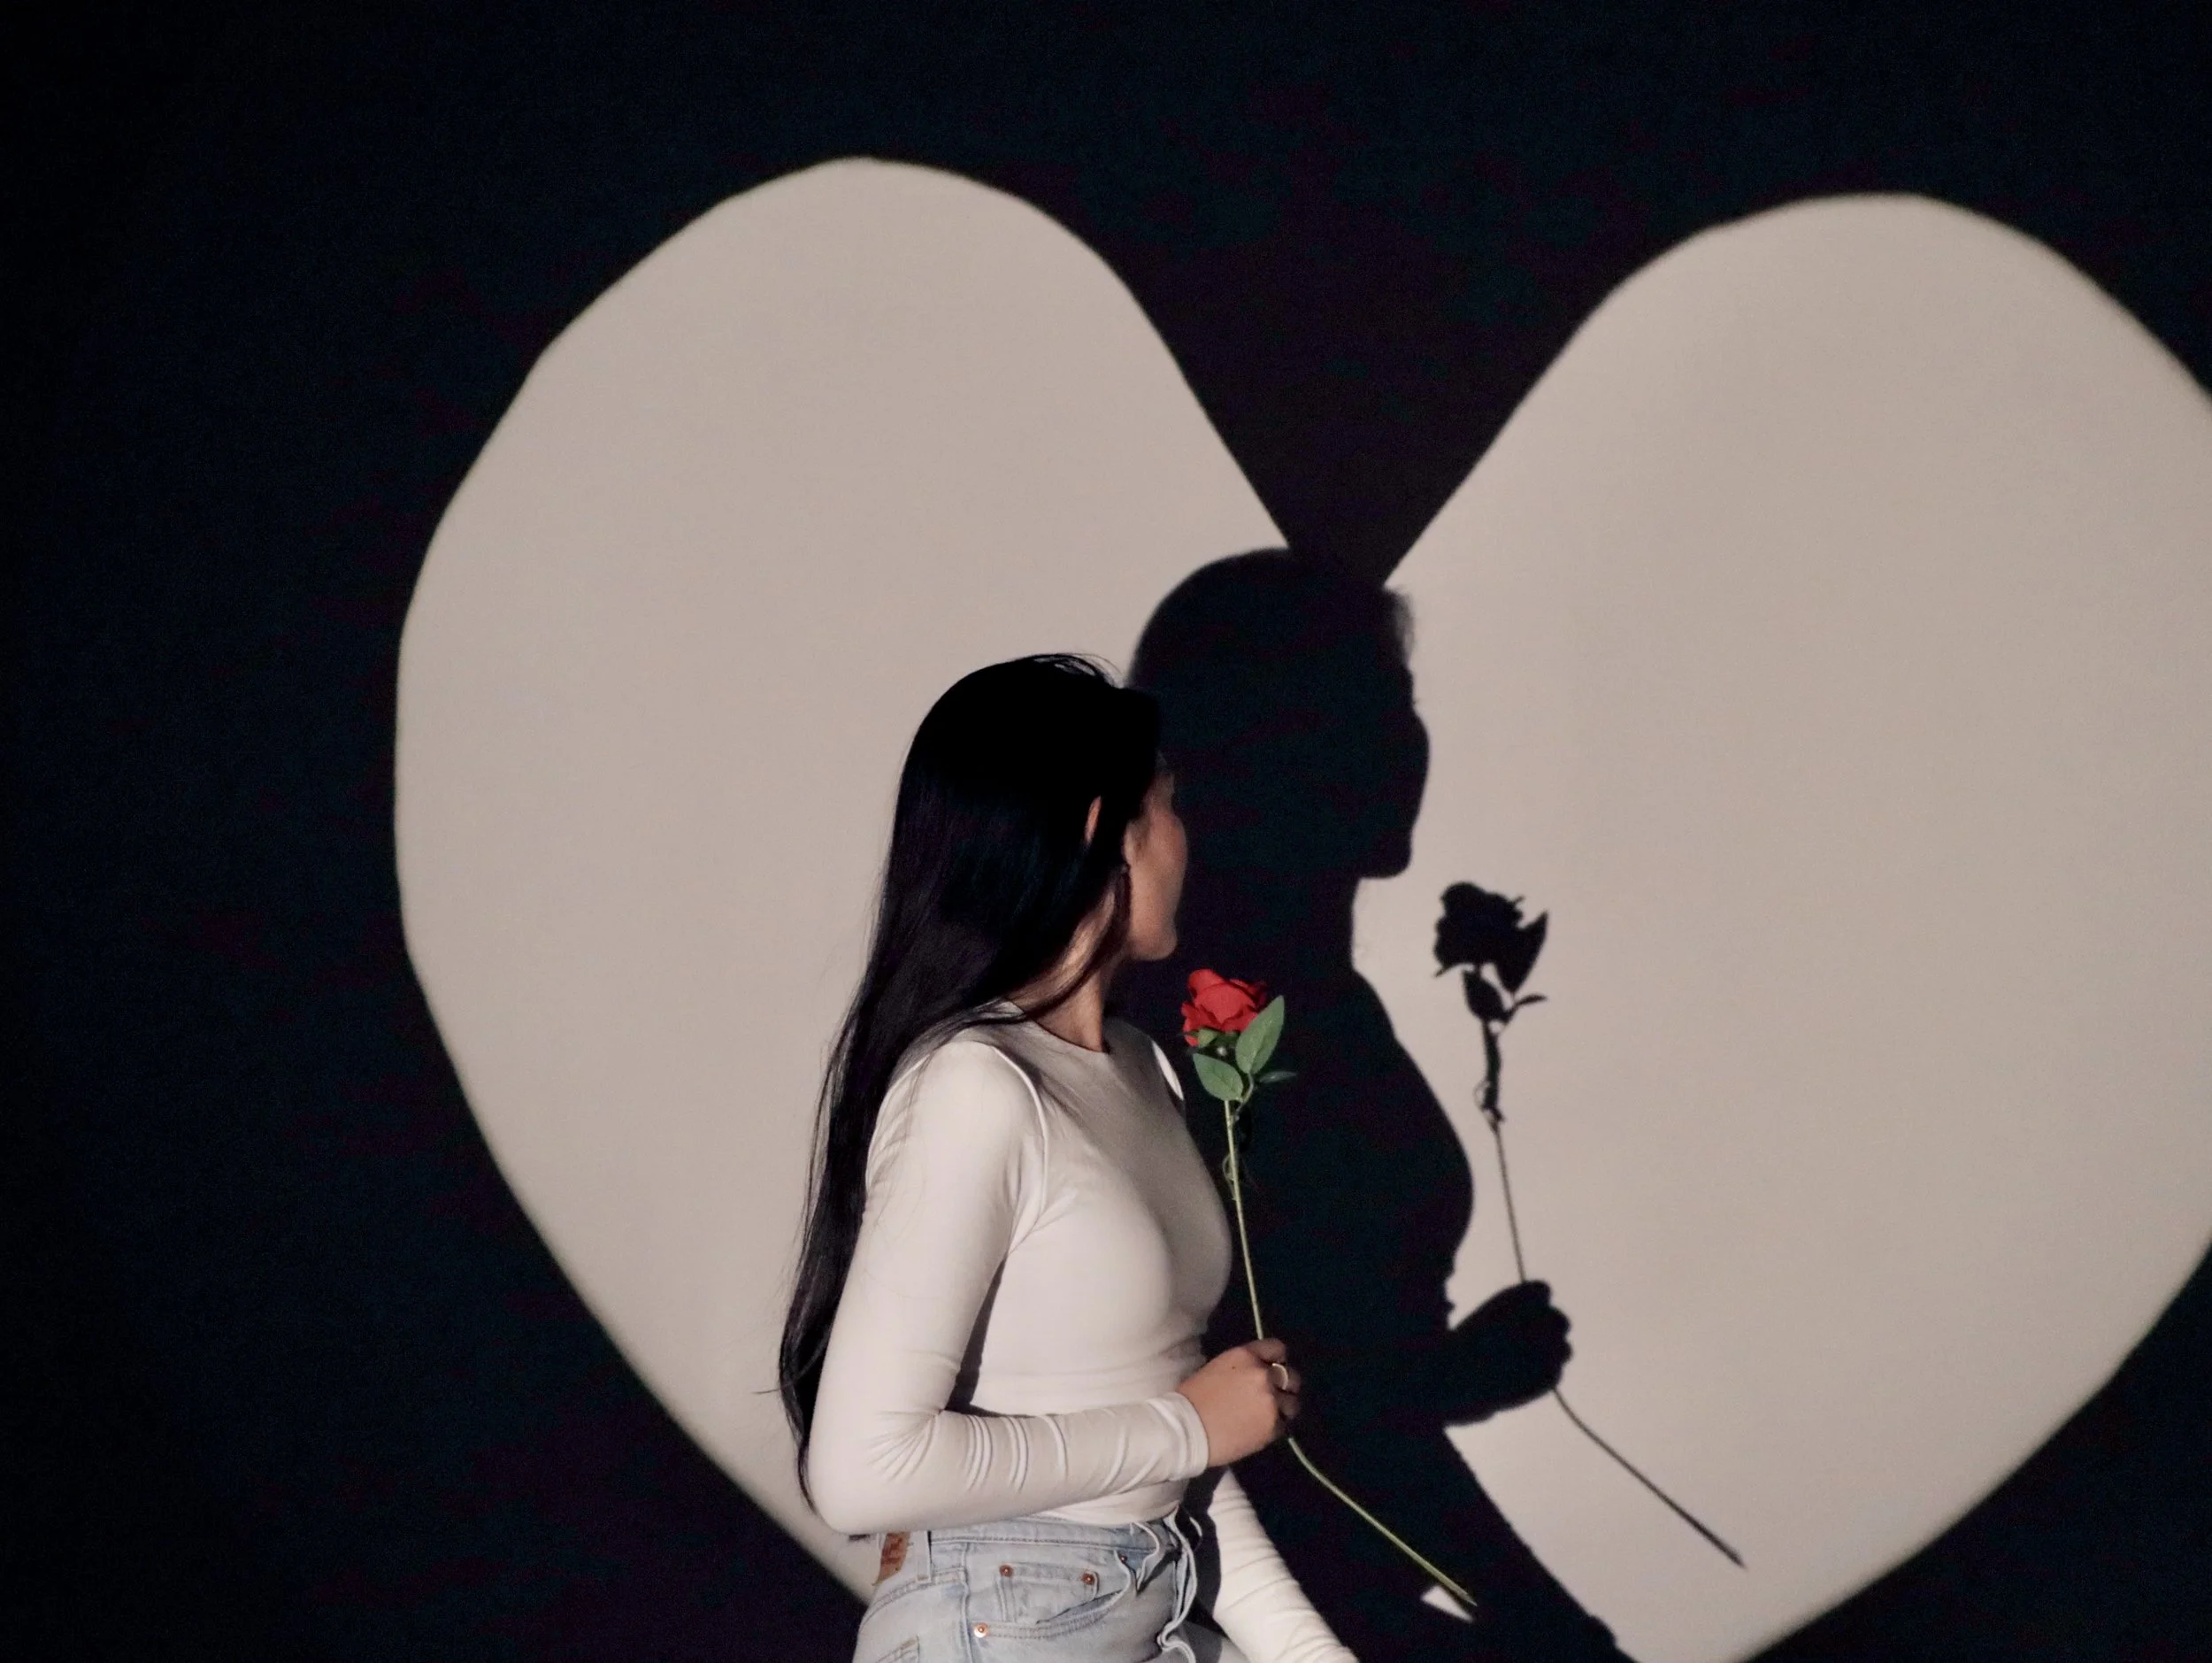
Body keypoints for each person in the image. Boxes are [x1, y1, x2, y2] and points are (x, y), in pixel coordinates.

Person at [780, 654, 1360, 1662]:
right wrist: (1186, 1427)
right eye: (1170, 802)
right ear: (1104, 829)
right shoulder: (978, 1083)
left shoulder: (1140, 1066)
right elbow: (861, 1470)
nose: (1187, 838)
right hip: (1003, 1623)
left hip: (1143, 1594)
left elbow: (1174, 1450)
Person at [1119, 552, 1629, 1661]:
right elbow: (1267, 1405)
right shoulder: (1212, 1015)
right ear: (1273, 743)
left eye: (1401, 708)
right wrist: (1550, 1628)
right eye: (1369, 709)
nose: (1407, 746)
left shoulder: (1314, 1003)